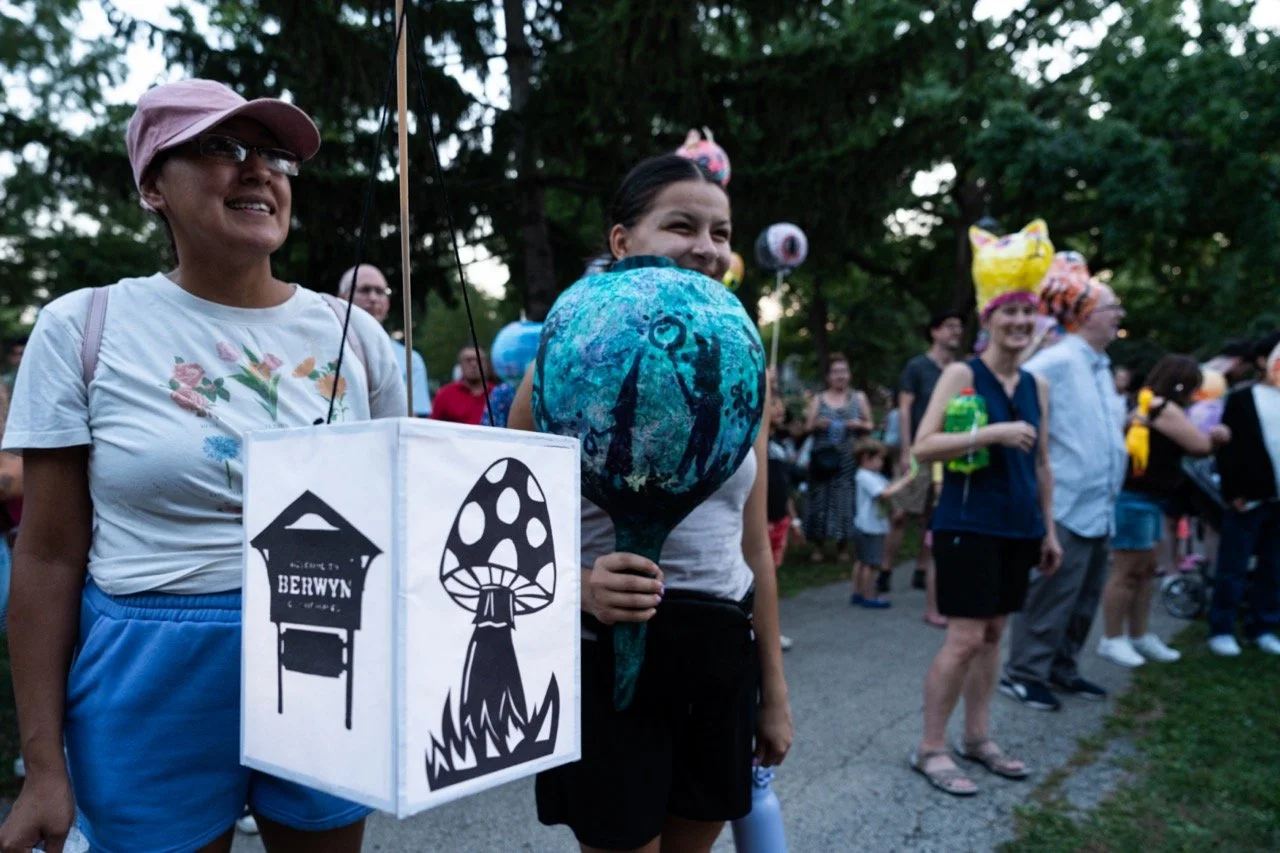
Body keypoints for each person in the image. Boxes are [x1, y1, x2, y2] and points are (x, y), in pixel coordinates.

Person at [0, 79, 406, 853]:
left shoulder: (355, 336)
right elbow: (47, 555)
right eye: (223, 147)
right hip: (150, 669)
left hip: (327, 642)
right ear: (154, 184)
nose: (259, 170)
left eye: (275, 154)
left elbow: (405, 518)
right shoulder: (85, 326)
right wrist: (44, 765)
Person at [508, 154, 792, 853]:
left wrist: (773, 690)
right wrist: (579, 586)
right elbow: (496, 535)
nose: (708, 246)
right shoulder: (563, 361)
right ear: (621, 242)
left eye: (721, 232)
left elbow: (751, 548)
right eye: (682, 224)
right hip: (603, 660)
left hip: (720, 654)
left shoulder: (742, 368)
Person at [909, 282, 1060, 797]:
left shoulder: (1036, 386)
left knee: (994, 637)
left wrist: (1050, 530)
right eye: (1009, 312)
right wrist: (989, 434)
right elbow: (923, 446)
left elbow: (1042, 465)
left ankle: (977, 738)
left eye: (1028, 313)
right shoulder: (961, 374)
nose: (1020, 321)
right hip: (967, 524)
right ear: (988, 320)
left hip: (1020, 529)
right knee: (966, 638)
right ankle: (931, 748)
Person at [1000, 276, 1126, 712]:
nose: (1119, 317)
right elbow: (1016, 382)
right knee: (1051, 594)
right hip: (1069, 501)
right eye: (1113, 308)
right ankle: (1025, 672)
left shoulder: (1100, 364)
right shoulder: (1060, 359)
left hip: (1100, 501)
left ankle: (1062, 667)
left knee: (1085, 596)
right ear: (1088, 315)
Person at [1098, 356, 1230, 667]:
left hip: (1149, 499)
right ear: (1181, 384)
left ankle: (1139, 634)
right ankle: (1112, 638)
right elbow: (1197, 445)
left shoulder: (1147, 404)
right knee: (1126, 573)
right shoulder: (1162, 407)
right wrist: (1218, 437)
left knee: (1145, 572)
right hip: (1135, 499)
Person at [886, 311, 964, 624]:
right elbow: (905, 410)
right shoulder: (918, 367)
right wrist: (906, 450)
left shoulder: (961, 370)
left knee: (934, 518)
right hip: (920, 449)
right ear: (934, 332)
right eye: (950, 326)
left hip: (949, 453)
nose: (956, 331)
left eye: (959, 327)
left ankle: (921, 569)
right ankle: (884, 571)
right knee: (901, 512)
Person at [1206, 342, 1280, 657]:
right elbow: (1228, 450)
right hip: (1247, 497)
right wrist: (1233, 491)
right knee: (1233, 564)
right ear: (1263, 361)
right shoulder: (1240, 399)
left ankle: (1263, 626)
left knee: (1274, 568)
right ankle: (1221, 628)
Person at [802, 354, 871, 563]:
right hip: (822, 459)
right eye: (836, 372)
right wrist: (817, 424)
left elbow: (870, 425)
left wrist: (857, 425)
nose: (840, 376)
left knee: (844, 500)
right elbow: (806, 427)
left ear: (849, 375)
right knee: (819, 499)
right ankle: (818, 546)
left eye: (843, 371)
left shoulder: (858, 398)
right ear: (828, 377)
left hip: (847, 459)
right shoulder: (818, 399)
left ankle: (842, 547)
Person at [338, 263, 432, 416]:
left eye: (380, 292)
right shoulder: (324, 346)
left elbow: (416, 422)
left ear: (387, 303)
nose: (373, 298)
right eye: (364, 290)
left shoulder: (411, 360)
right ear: (342, 297)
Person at [850, 439, 913, 609]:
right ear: (865, 458)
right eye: (878, 459)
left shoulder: (873, 476)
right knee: (870, 563)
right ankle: (868, 595)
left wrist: (900, 481)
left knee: (862, 561)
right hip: (869, 527)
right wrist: (906, 481)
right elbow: (884, 494)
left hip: (870, 525)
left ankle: (858, 592)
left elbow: (889, 487)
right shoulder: (864, 476)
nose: (882, 463)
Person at [431, 345, 495, 425]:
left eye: (479, 360)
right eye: (468, 360)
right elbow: (433, 428)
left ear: (486, 364)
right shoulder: (444, 395)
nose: (474, 364)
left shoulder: (497, 394)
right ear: (460, 365)